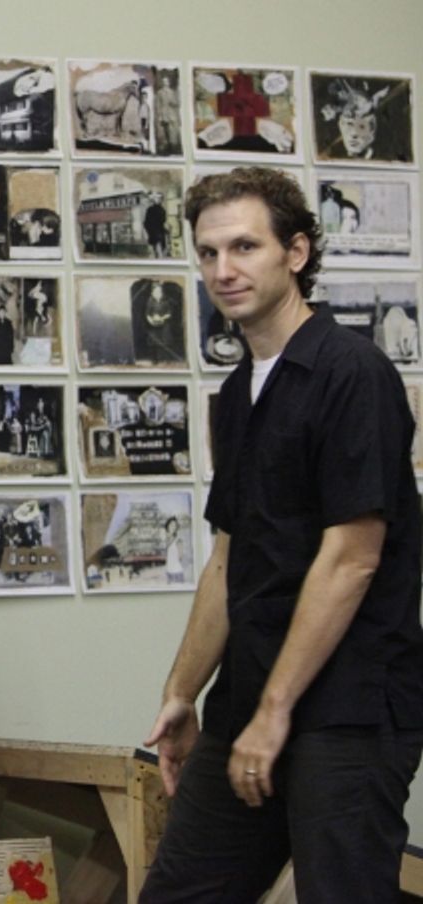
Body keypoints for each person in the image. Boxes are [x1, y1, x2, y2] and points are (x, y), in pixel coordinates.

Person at [140, 166, 423, 903]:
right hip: (250, 698)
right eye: (207, 253)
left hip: (347, 712)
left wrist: (275, 714)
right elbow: (229, 561)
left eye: (244, 247)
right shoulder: (237, 395)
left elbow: (352, 560)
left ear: (295, 253)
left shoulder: (352, 375)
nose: (223, 270)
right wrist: (181, 693)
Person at [143, 192, 169, 257]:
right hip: (157, 233)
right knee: (159, 250)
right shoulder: (160, 210)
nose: (159, 200)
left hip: (155, 233)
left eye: (160, 198)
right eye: (158, 198)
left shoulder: (152, 210)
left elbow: (146, 223)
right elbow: (162, 221)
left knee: (157, 251)